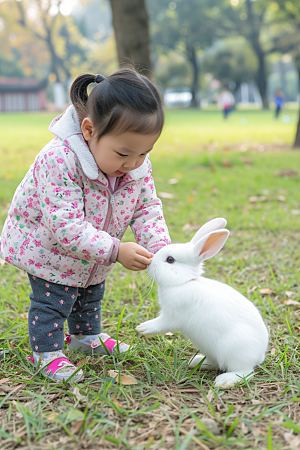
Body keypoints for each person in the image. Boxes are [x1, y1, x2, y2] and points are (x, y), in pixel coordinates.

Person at [0, 68, 171, 382]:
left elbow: (146, 209)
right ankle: (46, 353)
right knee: (53, 299)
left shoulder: (136, 166)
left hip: (93, 253)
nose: (133, 164)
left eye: (145, 152)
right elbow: (64, 227)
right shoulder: (58, 159)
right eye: (123, 153)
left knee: (91, 292)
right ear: (89, 130)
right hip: (47, 250)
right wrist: (116, 249)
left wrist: (161, 250)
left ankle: (85, 337)